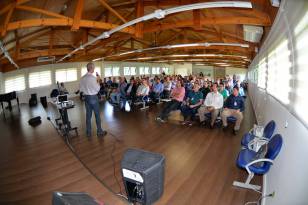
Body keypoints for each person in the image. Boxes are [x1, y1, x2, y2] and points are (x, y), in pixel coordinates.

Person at [79, 62, 107, 137]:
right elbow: (97, 89)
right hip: (93, 98)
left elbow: (81, 89)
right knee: (97, 115)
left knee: (88, 115)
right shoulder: (93, 78)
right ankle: (99, 131)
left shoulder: (82, 78)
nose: (94, 69)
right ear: (91, 68)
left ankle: (88, 132)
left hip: (86, 98)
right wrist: (98, 81)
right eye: (94, 68)